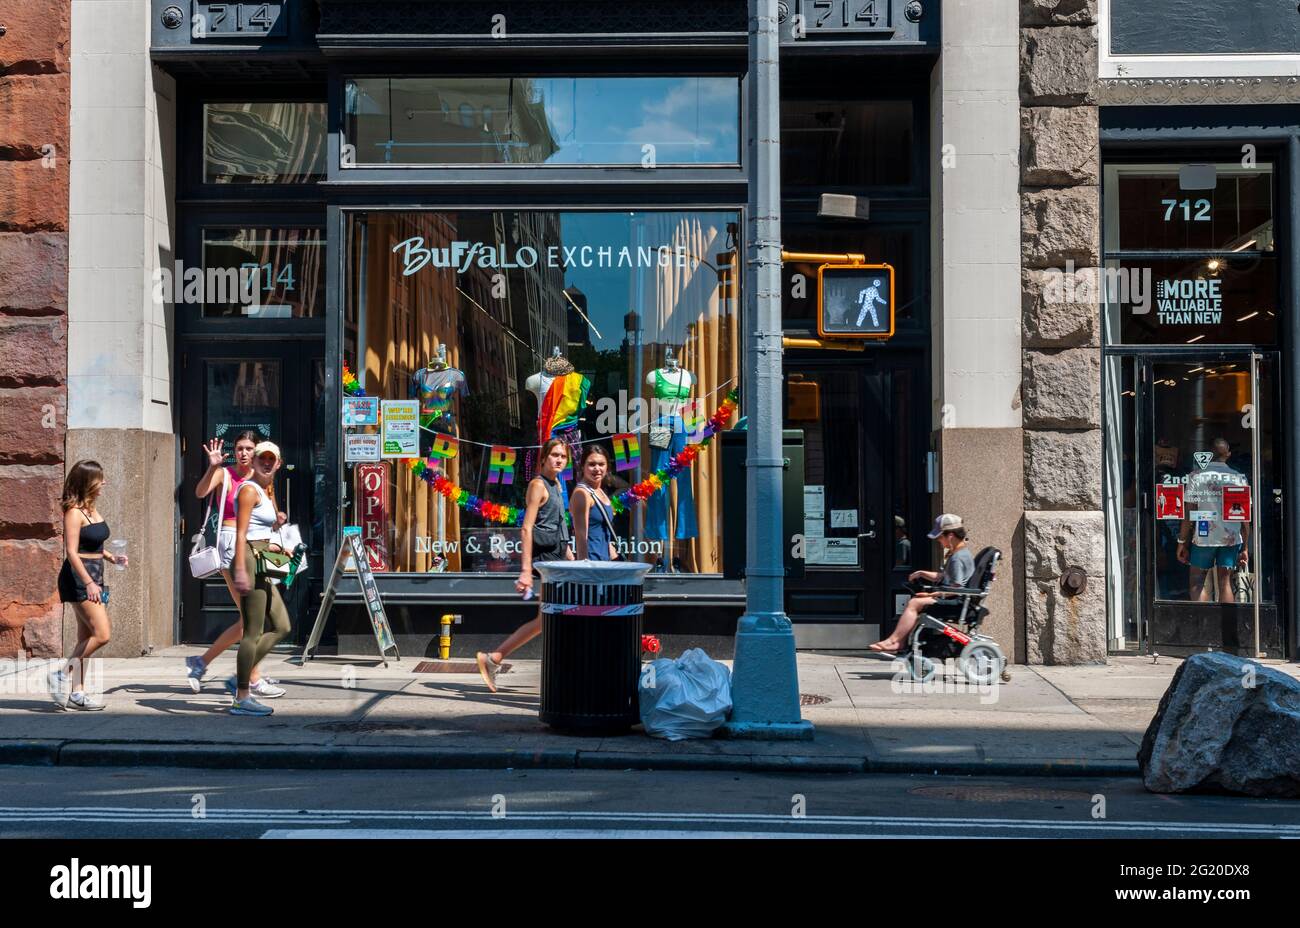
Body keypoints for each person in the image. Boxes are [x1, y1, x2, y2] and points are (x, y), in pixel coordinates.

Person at [185, 432, 286, 698]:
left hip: (258, 548)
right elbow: (200, 492)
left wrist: (278, 521)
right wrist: (213, 467)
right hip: (232, 547)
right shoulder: (227, 475)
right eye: (240, 448)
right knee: (252, 620)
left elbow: (269, 515)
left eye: (249, 449)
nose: (243, 453)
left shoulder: (261, 480)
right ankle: (249, 680)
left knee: (250, 621)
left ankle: (206, 663)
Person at [476, 438, 574, 692]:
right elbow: (526, 528)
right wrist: (526, 571)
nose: (559, 460)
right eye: (554, 455)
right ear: (543, 458)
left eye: (563, 456)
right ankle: (496, 658)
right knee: (551, 619)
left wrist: (574, 561)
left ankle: (495, 658)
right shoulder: (538, 485)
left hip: (557, 562)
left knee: (547, 620)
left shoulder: (557, 486)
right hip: (545, 565)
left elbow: (559, 528)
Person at [50, 461, 128, 710]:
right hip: (79, 578)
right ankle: (61, 674)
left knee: (86, 638)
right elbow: (72, 553)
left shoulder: (91, 509)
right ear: (87, 482)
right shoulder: (73, 512)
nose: (104, 482)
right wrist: (89, 583)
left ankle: (77, 694)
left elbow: (93, 546)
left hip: (95, 575)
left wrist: (111, 557)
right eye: (99, 479)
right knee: (102, 634)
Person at [229, 442, 293, 716]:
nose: (266, 463)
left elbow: (258, 531)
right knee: (253, 630)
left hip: (261, 558)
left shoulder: (264, 490)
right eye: (262, 459)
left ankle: (241, 677)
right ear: (253, 461)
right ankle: (242, 696)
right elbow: (241, 533)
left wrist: (276, 543)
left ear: (278, 463)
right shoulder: (248, 490)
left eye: (272, 459)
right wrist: (241, 570)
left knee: (282, 626)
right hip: (249, 561)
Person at [869, 513, 975, 654]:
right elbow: (944, 576)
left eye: (940, 538)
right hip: (957, 600)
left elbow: (957, 588)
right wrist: (921, 573)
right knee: (917, 601)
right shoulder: (960, 553)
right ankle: (897, 641)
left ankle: (895, 641)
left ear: (950, 536)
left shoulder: (957, 558)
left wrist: (933, 594)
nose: (939, 542)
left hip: (957, 603)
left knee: (914, 603)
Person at [1177, 437, 1250, 603]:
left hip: (1204, 536)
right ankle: (1227, 627)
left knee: (1197, 582)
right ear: (1228, 454)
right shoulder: (1238, 478)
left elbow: (1189, 514)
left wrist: (1182, 542)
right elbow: (1245, 517)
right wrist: (1245, 546)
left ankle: (1204, 626)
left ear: (1209, 454)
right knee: (1225, 583)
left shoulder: (1196, 476)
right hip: (1230, 538)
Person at [571, 444, 618, 561]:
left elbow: (605, 535)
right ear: (582, 467)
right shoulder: (582, 494)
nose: (597, 468)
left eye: (601, 464)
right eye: (592, 464)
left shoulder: (600, 491)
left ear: (607, 467)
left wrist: (616, 560)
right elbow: (581, 537)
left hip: (605, 563)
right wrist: (584, 567)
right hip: (591, 563)